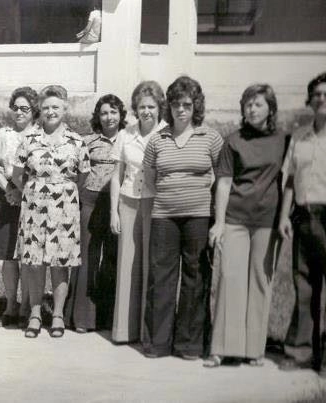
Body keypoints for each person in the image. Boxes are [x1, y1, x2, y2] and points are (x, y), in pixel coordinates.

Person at [204, 84, 286, 368]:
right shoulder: (233, 140)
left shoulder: (283, 140)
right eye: (248, 104)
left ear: (270, 109)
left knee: (260, 281)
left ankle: (254, 350)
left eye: (258, 104)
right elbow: (224, 182)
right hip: (236, 218)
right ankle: (222, 348)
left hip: (267, 221)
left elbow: (289, 179)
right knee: (231, 278)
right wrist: (219, 223)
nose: (252, 109)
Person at [278, 72, 326, 378]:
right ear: (310, 100)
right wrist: (285, 215)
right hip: (304, 216)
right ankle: (300, 353)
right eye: (316, 95)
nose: (321, 99)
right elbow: (292, 180)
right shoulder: (300, 136)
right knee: (304, 287)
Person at [142, 76, 222, 359]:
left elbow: (221, 177)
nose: (181, 110)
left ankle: (189, 344)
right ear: (169, 107)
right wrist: (169, 195)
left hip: (199, 216)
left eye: (187, 104)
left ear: (196, 106)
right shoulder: (157, 140)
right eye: (175, 104)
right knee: (160, 278)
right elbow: (149, 178)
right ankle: (158, 343)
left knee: (195, 278)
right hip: (164, 216)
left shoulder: (210, 137)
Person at [11, 85, 90, 338]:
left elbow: (83, 176)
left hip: (64, 208)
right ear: (40, 111)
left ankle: (57, 314)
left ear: (65, 109)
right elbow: (16, 174)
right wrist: (37, 191)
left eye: (55, 107)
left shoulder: (77, 141)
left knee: (60, 264)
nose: (50, 111)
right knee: (34, 263)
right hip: (34, 206)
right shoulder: (29, 140)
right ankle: (34, 313)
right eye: (46, 107)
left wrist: (61, 191)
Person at [109, 81, 167, 344]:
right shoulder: (125, 134)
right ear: (135, 109)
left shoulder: (167, 134)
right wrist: (114, 211)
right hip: (129, 201)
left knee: (151, 265)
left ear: (159, 108)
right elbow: (116, 175)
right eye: (142, 106)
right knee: (127, 265)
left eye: (151, 106)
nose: (146, 111)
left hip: (156, 203)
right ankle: (124, 331)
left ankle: (147, 332)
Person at [66, 94, 124, 333]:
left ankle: (107, 318)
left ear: (121, 115)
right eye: (104, 113)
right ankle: (82, 318)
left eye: (113, 112)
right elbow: (74, 171)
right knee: (87, 257)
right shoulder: (87, 141)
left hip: (118, 206)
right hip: (89, 201)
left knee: (112, 258)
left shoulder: (128, 139)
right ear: (97, 117)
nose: (109, 117)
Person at [0, 86, 39, 328]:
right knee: (9, 256)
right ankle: (10, 305)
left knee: (28, 256)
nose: (18, 112)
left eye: (24, 108)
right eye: (15, 107)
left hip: (33, 200)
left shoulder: (39, 135)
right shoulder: (2, 134)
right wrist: (9, 189)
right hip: (6, 198)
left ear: (33, 111)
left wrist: (23, 191)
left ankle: (27, 307)